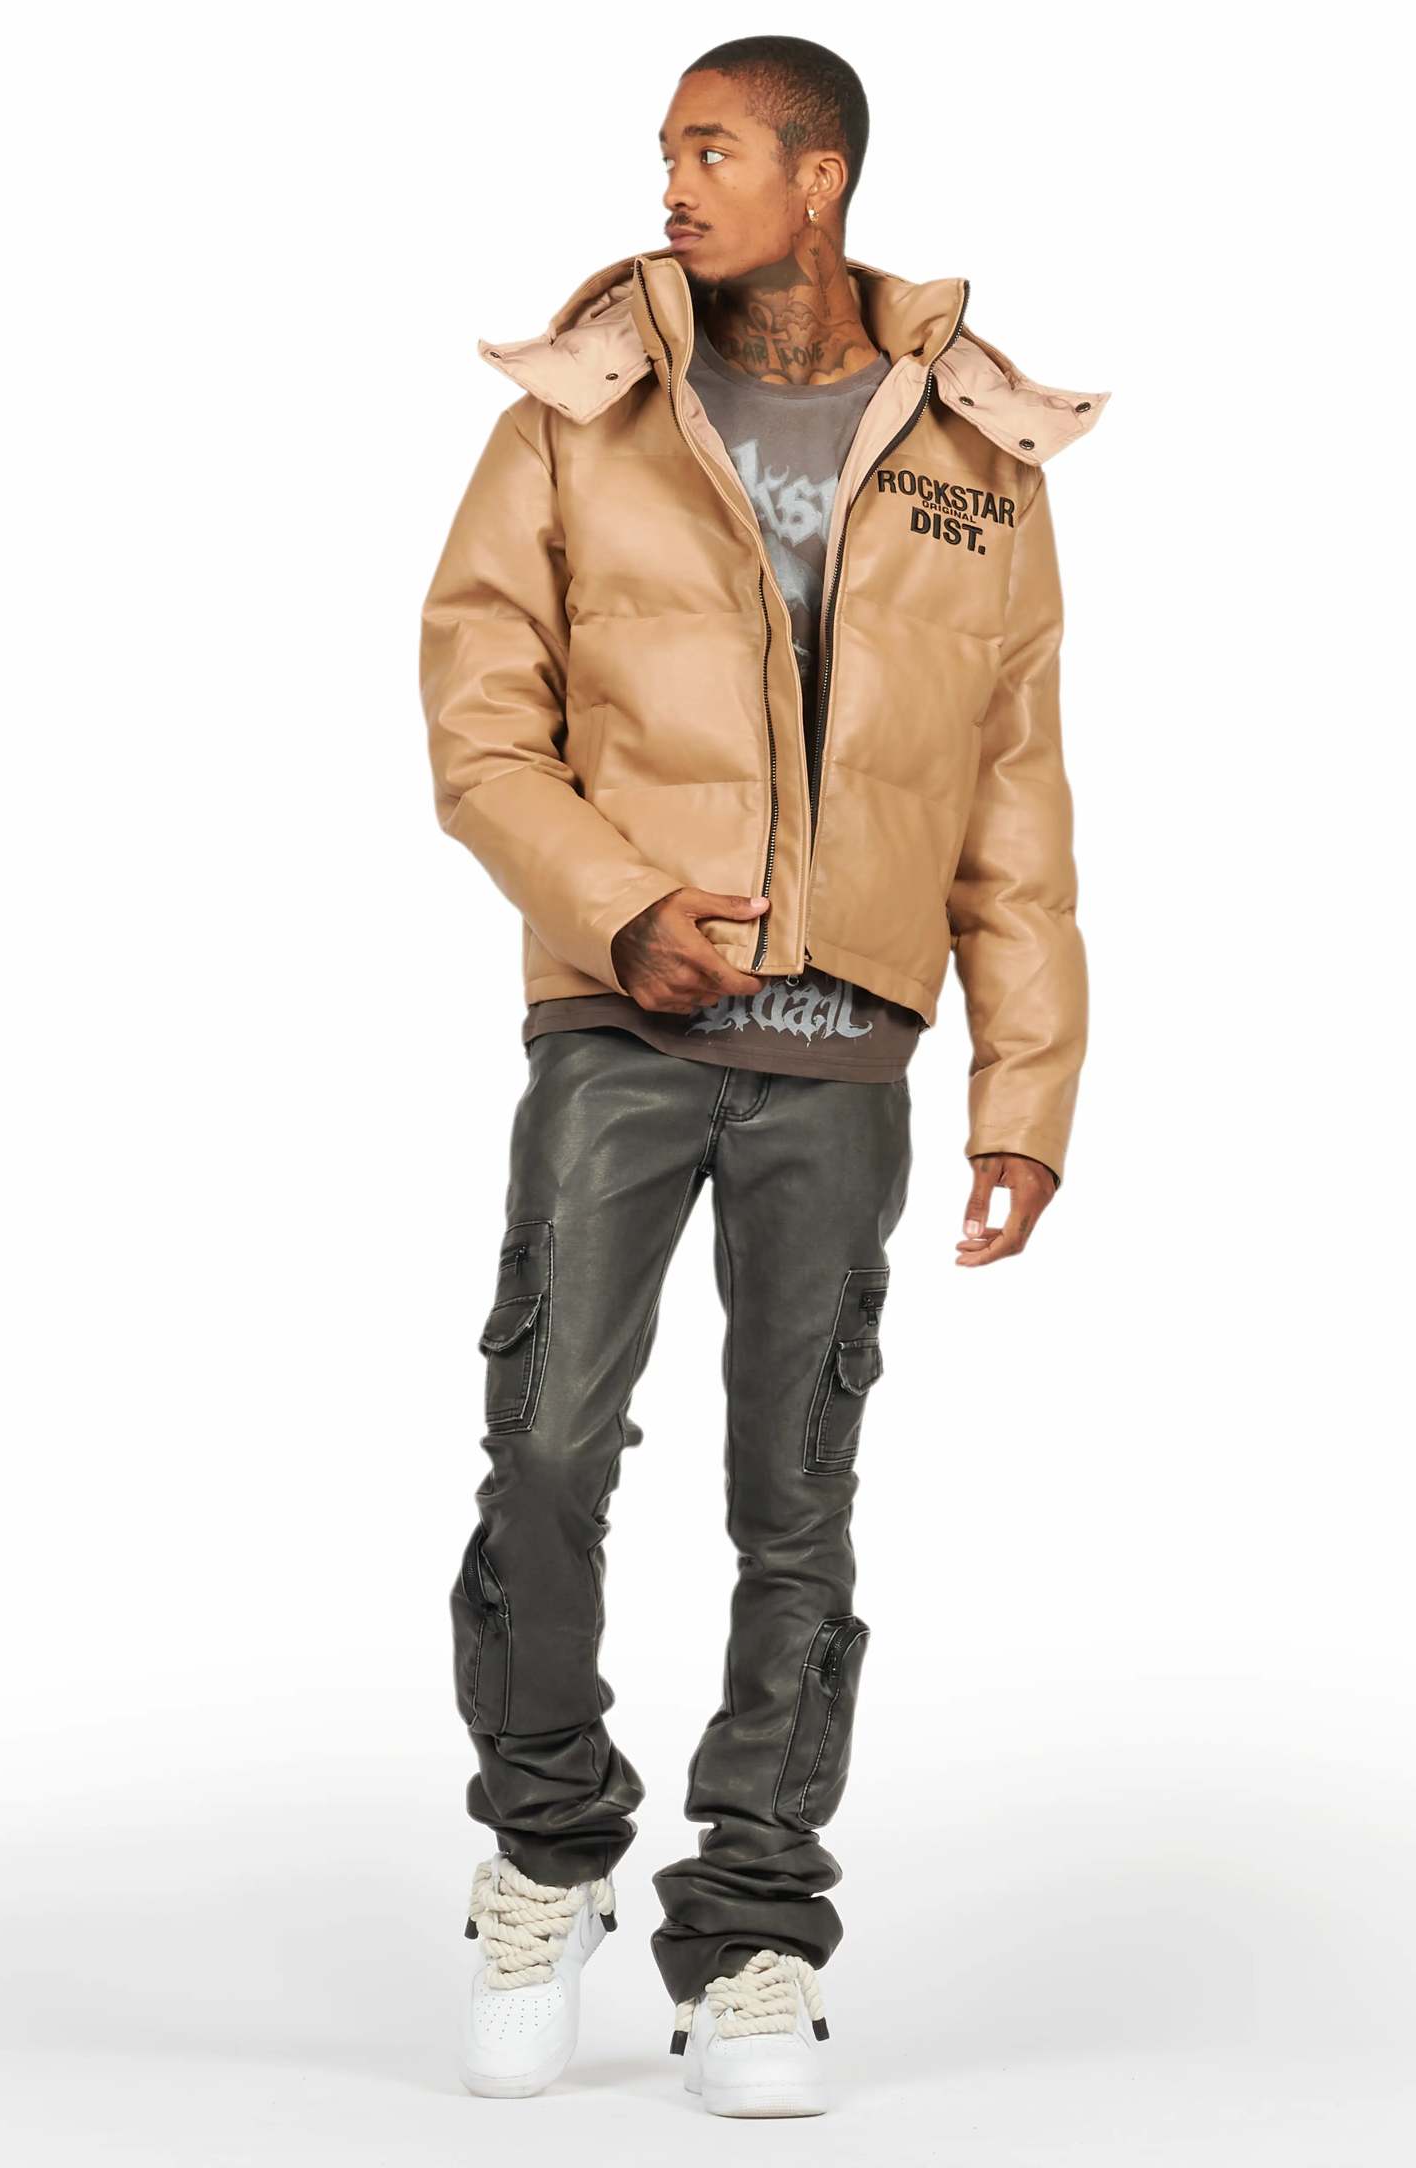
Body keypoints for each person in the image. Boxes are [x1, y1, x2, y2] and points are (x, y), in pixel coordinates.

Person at [418, 32, 1107, 2117]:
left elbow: (1013, 796)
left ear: (821, 178)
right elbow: (479, 726)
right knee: (546, 1448)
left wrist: (1023, 1093)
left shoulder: (977, 457)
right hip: (620, 1031)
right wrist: (621, 903)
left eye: (711, 148)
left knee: (794, 1507)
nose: (672, 183)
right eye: (665, 149)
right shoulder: (575, 419)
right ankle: (548, 1852)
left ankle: (756, 1930)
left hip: (845, 1057)